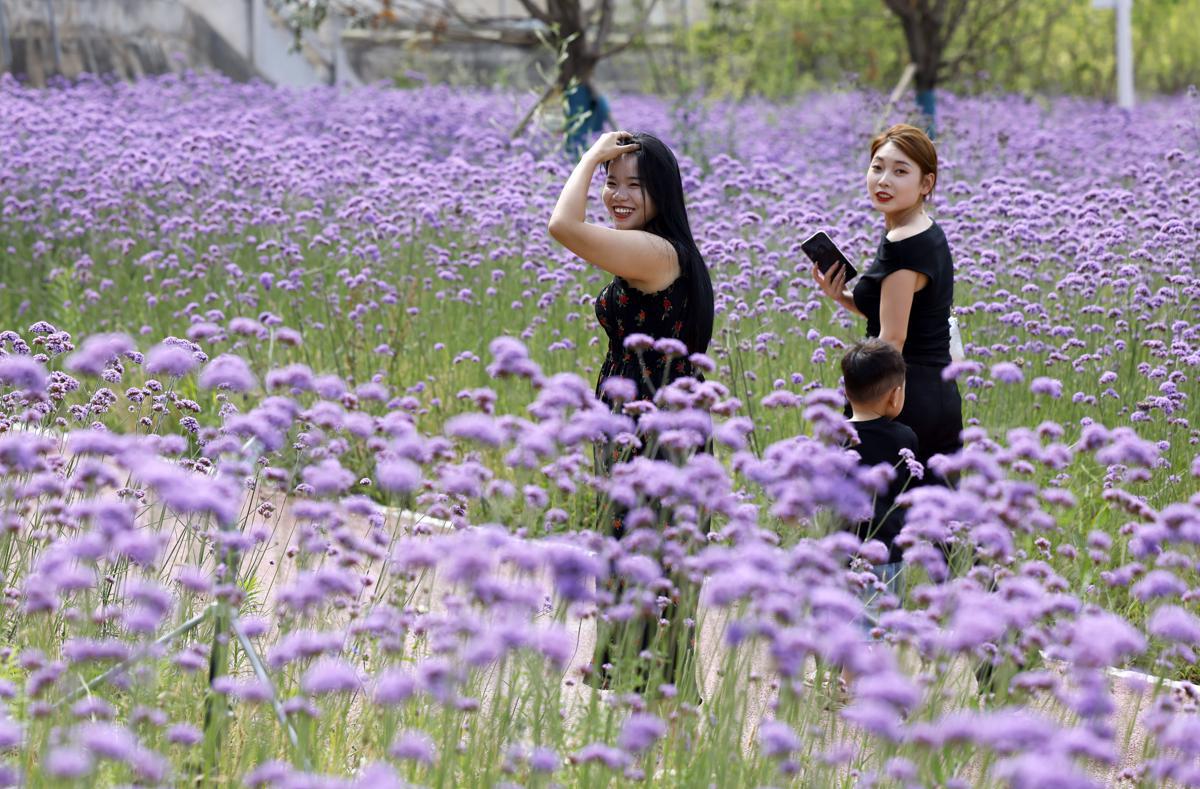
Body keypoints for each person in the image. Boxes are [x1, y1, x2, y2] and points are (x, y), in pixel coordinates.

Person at [548, 130, 714, 703]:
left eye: (632, 186)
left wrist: (591, 157)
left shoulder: (656, 252)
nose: (616, 196)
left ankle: (649, 723)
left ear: (662, 194)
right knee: (639, 583)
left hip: (652, 448)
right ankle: (650, 725)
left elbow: (562, 228)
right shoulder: (660, 247)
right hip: (641, 441)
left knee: (644, 587)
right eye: (610, 184)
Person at [812, 123, 962, 475]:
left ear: (926, 184)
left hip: (901, 396)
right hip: (933, 391)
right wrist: (846, 298)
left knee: (878, 517)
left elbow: (893, 338)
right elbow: (899, 312)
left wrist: (860, 403)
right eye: (877, 167)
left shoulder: (904, 244)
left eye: (900, 171)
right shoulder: (924, 230)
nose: (884, 180)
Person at [841, 338, 918, 635]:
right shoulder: (904, 439)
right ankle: (859, 680)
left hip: (839, 552)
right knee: (874, 630)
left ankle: (838, 677)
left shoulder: (835, 437)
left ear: (846, 391)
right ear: (895, 396)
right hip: (884, 553)